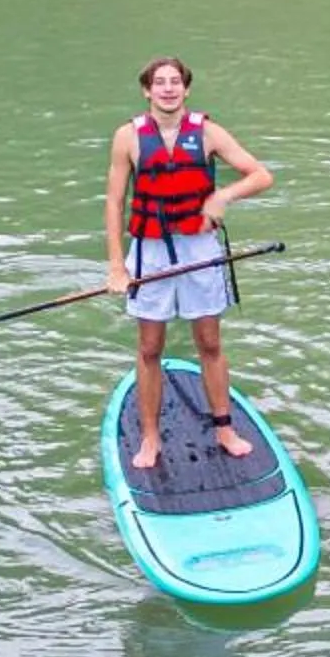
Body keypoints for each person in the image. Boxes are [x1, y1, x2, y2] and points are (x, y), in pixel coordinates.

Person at [105, 57, 274, 471]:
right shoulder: (127, 137)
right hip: (151, 250)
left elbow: (260, 175)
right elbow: (114, 202)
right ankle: (149, 437)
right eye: (159, 83)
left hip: (199, 249)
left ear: (186, 89)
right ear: (147, 91)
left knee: (210, 343)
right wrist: (116, 266)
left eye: (174, 82)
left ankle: (224, 429)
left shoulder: (209, 132)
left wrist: (223, 197)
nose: (167, 89)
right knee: (149, 347)